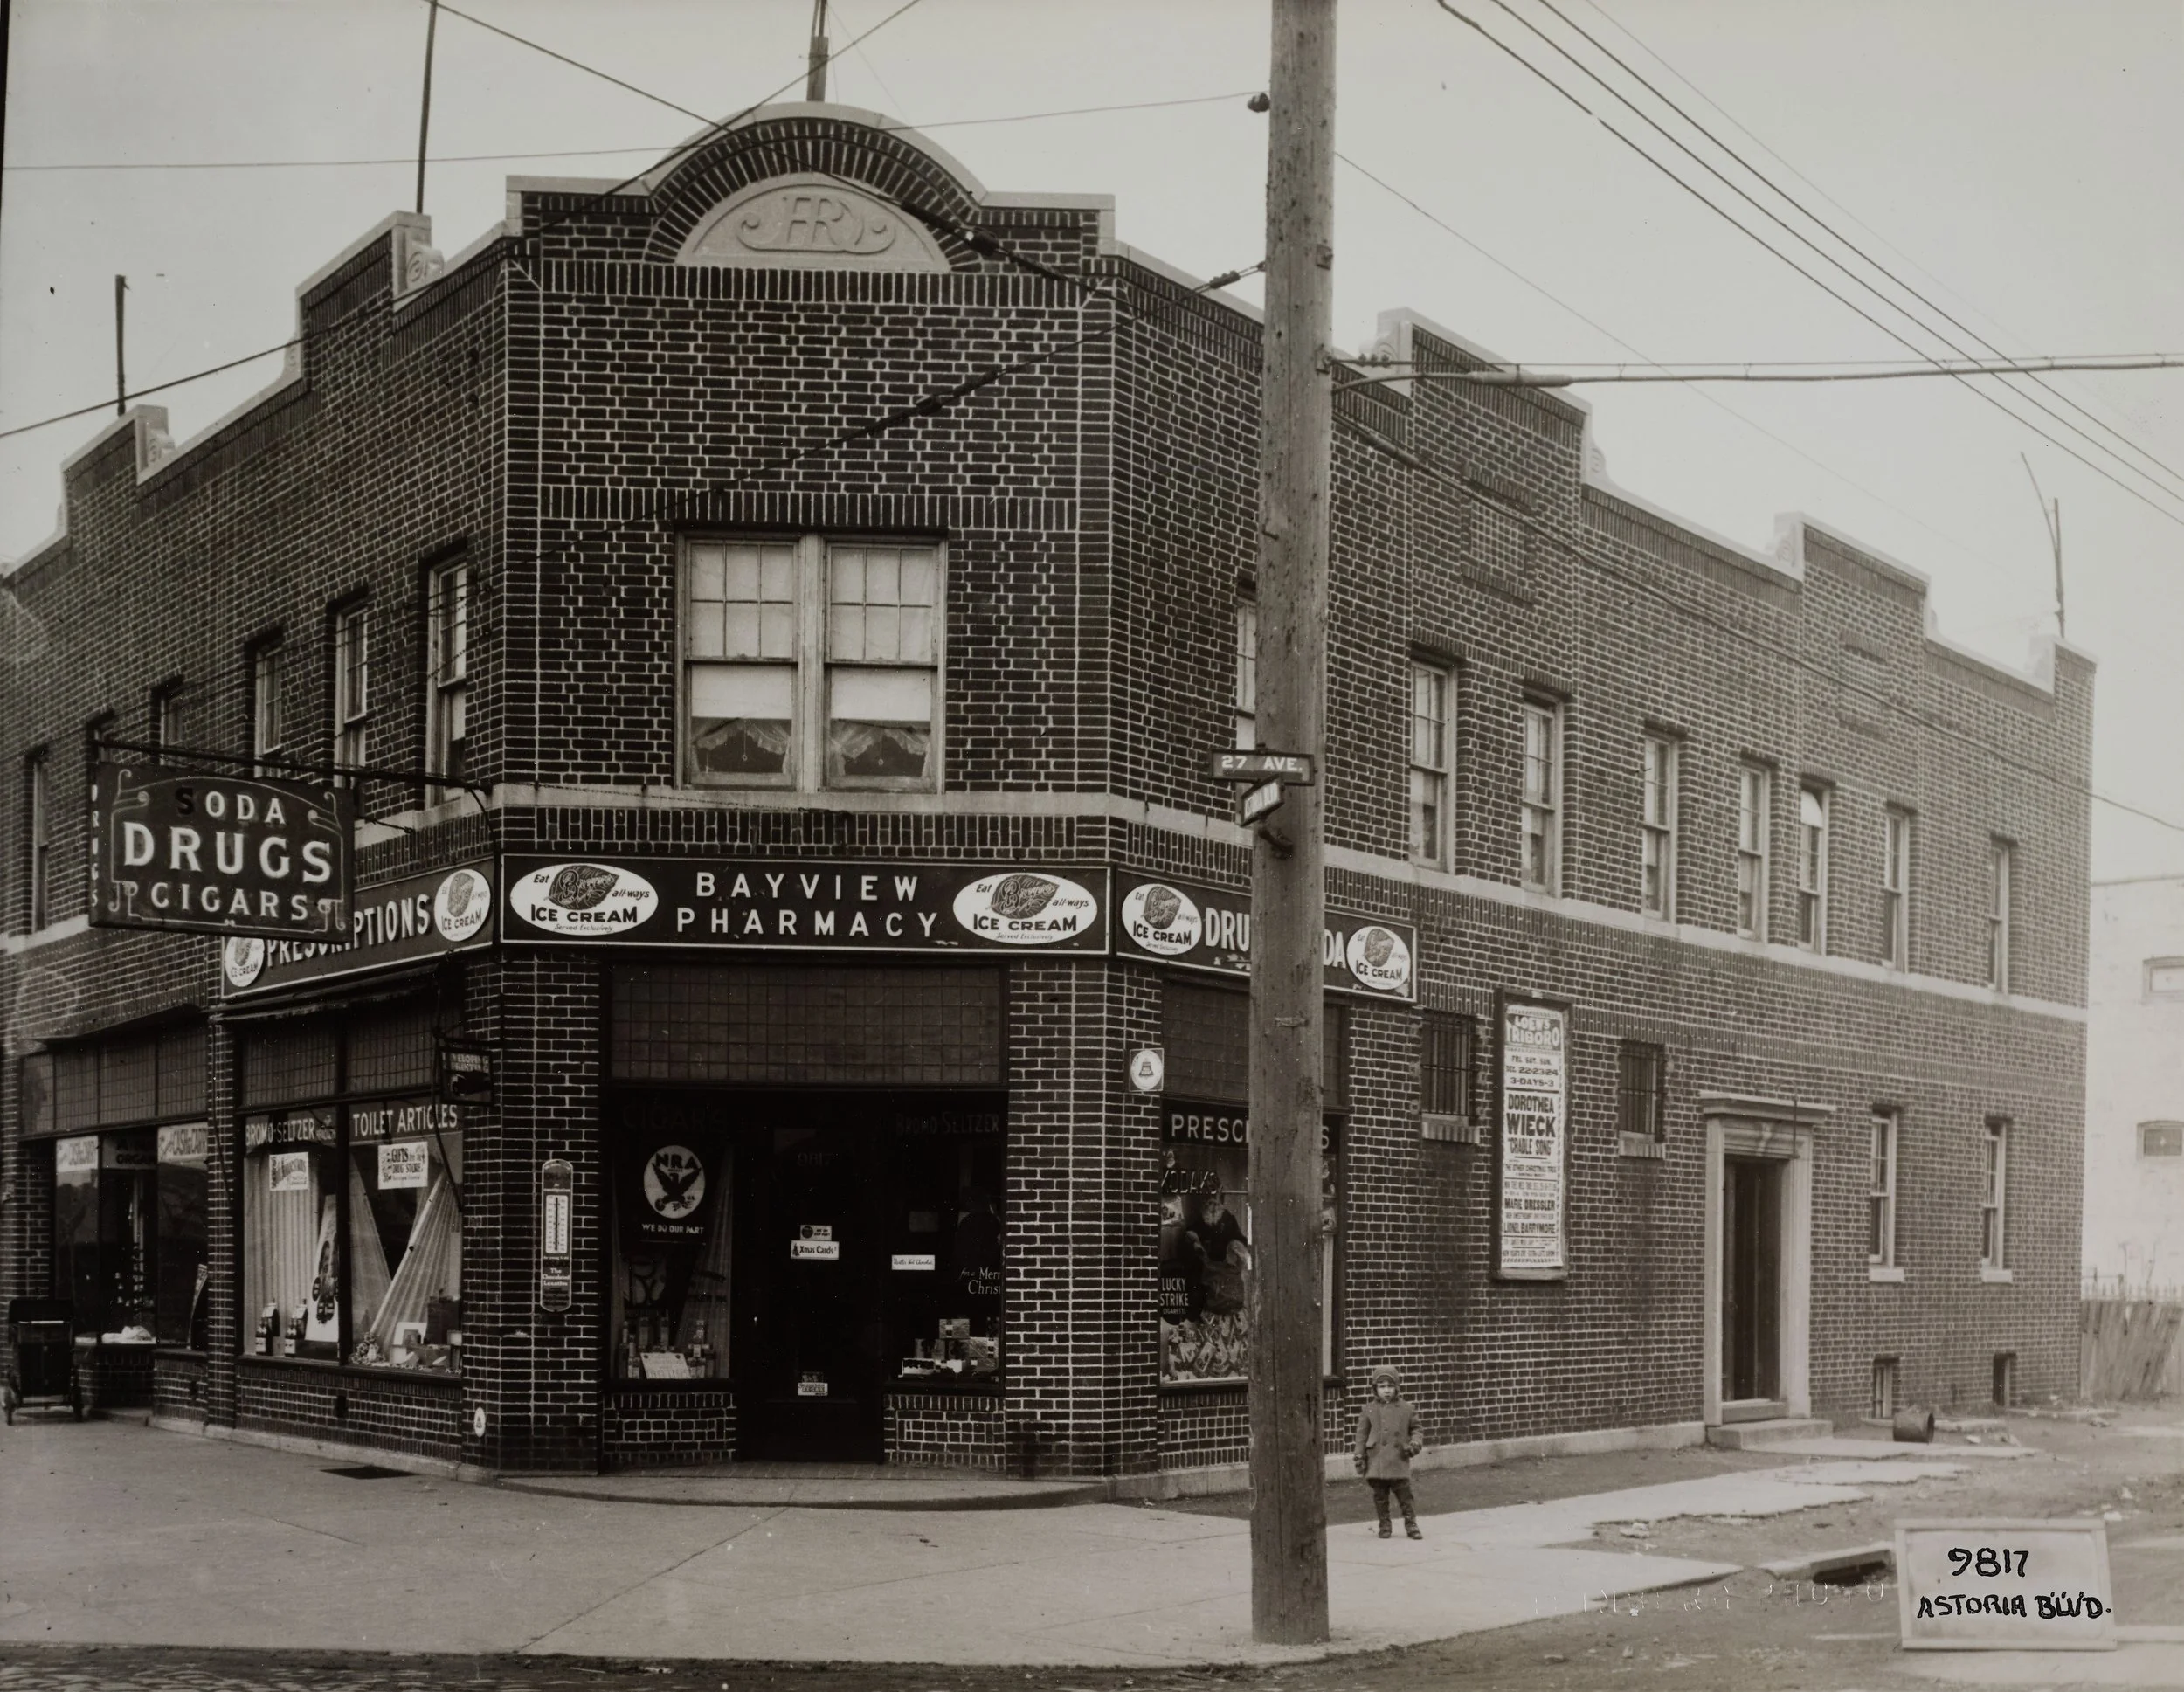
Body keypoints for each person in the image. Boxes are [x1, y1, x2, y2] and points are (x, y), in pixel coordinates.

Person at [1353, 1364, 1425, 1539]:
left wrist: (1415, 1443)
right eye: (1382, 1386)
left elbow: (1417, 1429)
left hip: (1398, 1459)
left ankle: (1411, 1525)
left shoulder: (1407, 1409)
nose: (1386, 1390)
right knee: (1380, 1497)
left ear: (1397, 1387)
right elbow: (1361, 1435)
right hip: (1376, 1461)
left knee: (1405, 1496)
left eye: (1390, 1386)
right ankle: (1384, 1525)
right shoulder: (1369, 1409)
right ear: (1375, 1388)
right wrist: (1359, 1455)